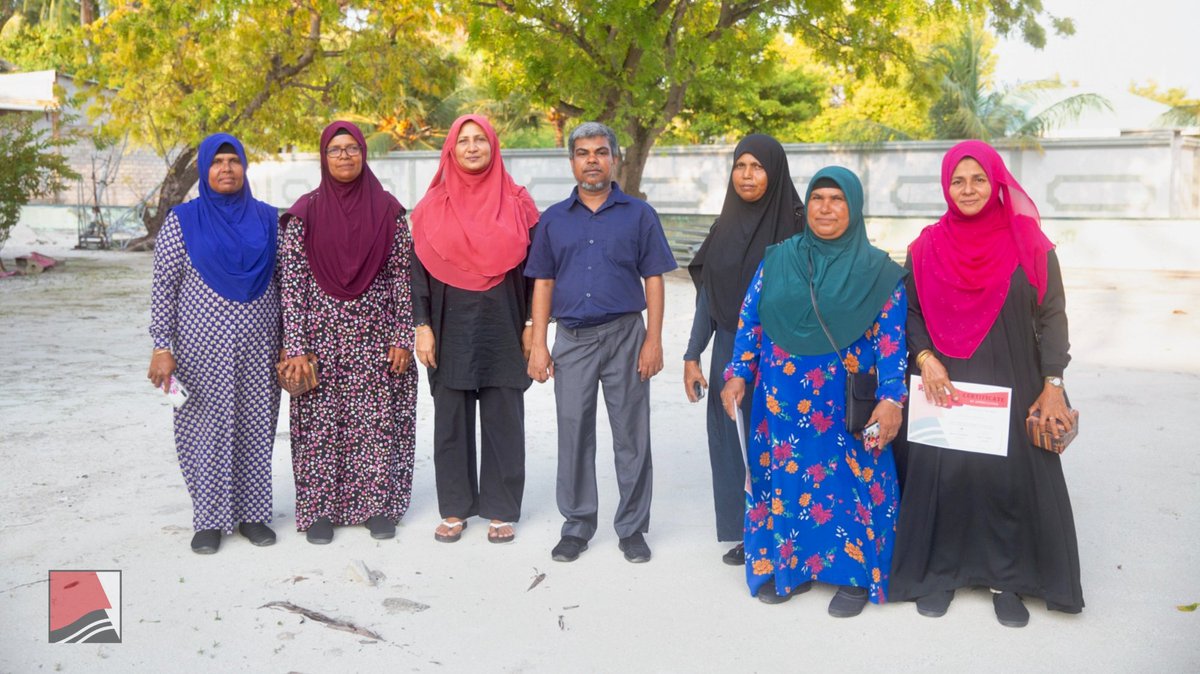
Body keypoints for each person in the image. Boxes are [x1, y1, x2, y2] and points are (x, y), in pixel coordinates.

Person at [889, 140, 1083, 627]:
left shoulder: (1029, 243)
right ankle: (942, 573)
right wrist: (925, 358)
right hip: (944, 384)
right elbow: (907, 311)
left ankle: (1007, 578)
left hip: (1012, 378)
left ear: (996, 182)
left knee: (1005, 480)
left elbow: (1053, 313)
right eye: (959, 180)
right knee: (946, 475)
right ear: (946, 186)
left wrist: (1052, 380)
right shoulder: (927, 245)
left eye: (978, 179)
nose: (968, 189)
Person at [721, 166, 907, 618]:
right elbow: (752, 319)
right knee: (786, 481)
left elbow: (891, 340)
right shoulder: (779, 258)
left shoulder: (879, 271)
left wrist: (891, 397)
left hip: (846, 402)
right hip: (780, 399)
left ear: (855, 207)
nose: (826, 208)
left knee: (851, 482)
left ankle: (856, 576)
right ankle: (791, 567)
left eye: (837, 199)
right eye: (818, 198)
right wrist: (739, 372)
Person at [525, 121, 677, 564]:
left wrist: (654, 340)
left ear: (613, 159)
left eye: (600, 152)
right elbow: (543, 284)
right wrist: (539, 342)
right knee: (573, 432)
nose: (592, 159)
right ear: (571, 161)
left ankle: (632, 528)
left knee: (632, 435)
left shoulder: (639, 215)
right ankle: (577, 525)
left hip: (626, 336)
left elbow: (654, 278)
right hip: (571, 339)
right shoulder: (552, 220)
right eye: (582, 152)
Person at [278, 121, 417, 545]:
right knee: (320, 424)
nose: (344, 156)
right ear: (324, 156)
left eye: (352, 148)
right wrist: (297, 345)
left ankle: (377, 507)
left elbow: (401, 277)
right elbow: (292, 283)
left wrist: (401, 336)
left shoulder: (388, 211)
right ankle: (319, 511)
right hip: (320, 340)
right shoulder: (304, 213)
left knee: (376, 422)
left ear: (363, 154)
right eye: (335, 149)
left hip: (375, 338)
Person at [147, 132, 281, 554]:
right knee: (203, 430)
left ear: (245, 167)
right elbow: (163, 287)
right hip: (198, 352)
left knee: (256, 428)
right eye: (217, 162)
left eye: (234, 161)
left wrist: (289, 343)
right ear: (205, 169)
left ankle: (252, 516)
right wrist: (161, 345)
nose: (226, 169)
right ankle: (207, 518)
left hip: (260, 348)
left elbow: (286, 284)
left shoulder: (267, 219)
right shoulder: (182, 220)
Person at [411, 114, 539, 545]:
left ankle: (501, 508)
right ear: (450, 149)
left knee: (504, 415)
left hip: (504, 322)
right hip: (448, 324)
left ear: (493, 146)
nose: (471, 147)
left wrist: (531, 326)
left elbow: (536, 273)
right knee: (450, 416)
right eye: (462, 140)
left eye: (479, 140)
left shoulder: (519, 204)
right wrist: (422, 325)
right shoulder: (431, 206)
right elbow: (417, 273)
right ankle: (455, 507)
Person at [684, 134, 804, 566]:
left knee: (779, 442)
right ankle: (745, 531)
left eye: (757, 166)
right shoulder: (724, 226)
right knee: (731, 440)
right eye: (740, 166)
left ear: (774, 171)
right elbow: (708, 298)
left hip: (784, 354)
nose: (747, 175)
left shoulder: (797, 225)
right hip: (731, 349)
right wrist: (692, 354)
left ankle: (787, 531)